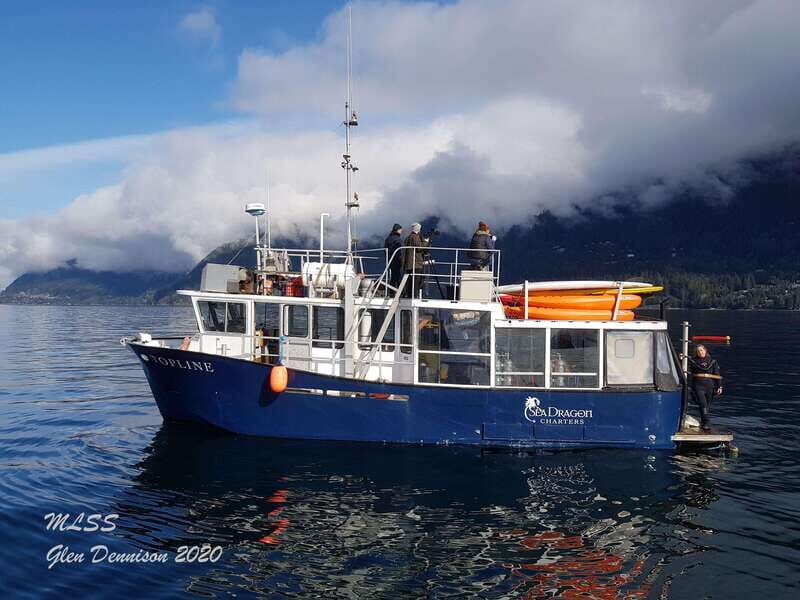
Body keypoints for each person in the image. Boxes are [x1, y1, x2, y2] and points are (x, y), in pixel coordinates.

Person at [687, 344, 723, 431]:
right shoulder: (693, 361)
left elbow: (717, 374)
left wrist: (719, 386)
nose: (700, 352)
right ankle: (707, 423)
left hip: (710, 386)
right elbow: (686, 369)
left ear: (705, 351)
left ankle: (703, 421)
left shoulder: (712, 361)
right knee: (703, 404)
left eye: (702, 350)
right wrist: (681, 360)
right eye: (698, 351)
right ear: (696, 353)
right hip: (698, 386)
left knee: (707, 406)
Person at [403, 222, 428, 297]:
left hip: (409, 263)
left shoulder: (408, 237)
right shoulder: (415, 237)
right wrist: (425, 242)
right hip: (416, 263)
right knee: (416, 281)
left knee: (410, 281)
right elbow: (420, 248)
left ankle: (409, 294)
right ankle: (414, 295)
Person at [384, 223, 404, 291]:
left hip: (390, 260)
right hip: (397, 260)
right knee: (398, 276)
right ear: (397, 230)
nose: (401, 231)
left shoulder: (388, 239)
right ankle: (400, 292)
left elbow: (385, 250)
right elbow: (401, 250)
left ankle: (391, 291)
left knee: (393, 276)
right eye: (400, 229)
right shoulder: (398, 239)